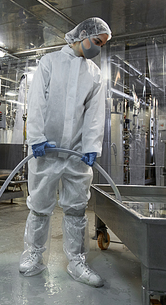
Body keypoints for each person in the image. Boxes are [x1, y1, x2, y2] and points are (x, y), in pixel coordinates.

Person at [19, 17, 112, 287]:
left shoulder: (94, 74)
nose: (98, 48)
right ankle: (34, 256)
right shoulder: (49, 63)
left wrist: (92, 146)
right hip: (45, 151)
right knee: (39, 207)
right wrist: (36, 138)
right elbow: (36, 102)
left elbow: (95, 115)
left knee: (76, 209)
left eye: (102, 45)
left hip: (75, 154)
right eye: (96, 41)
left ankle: (77, 263)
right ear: (82, 35)